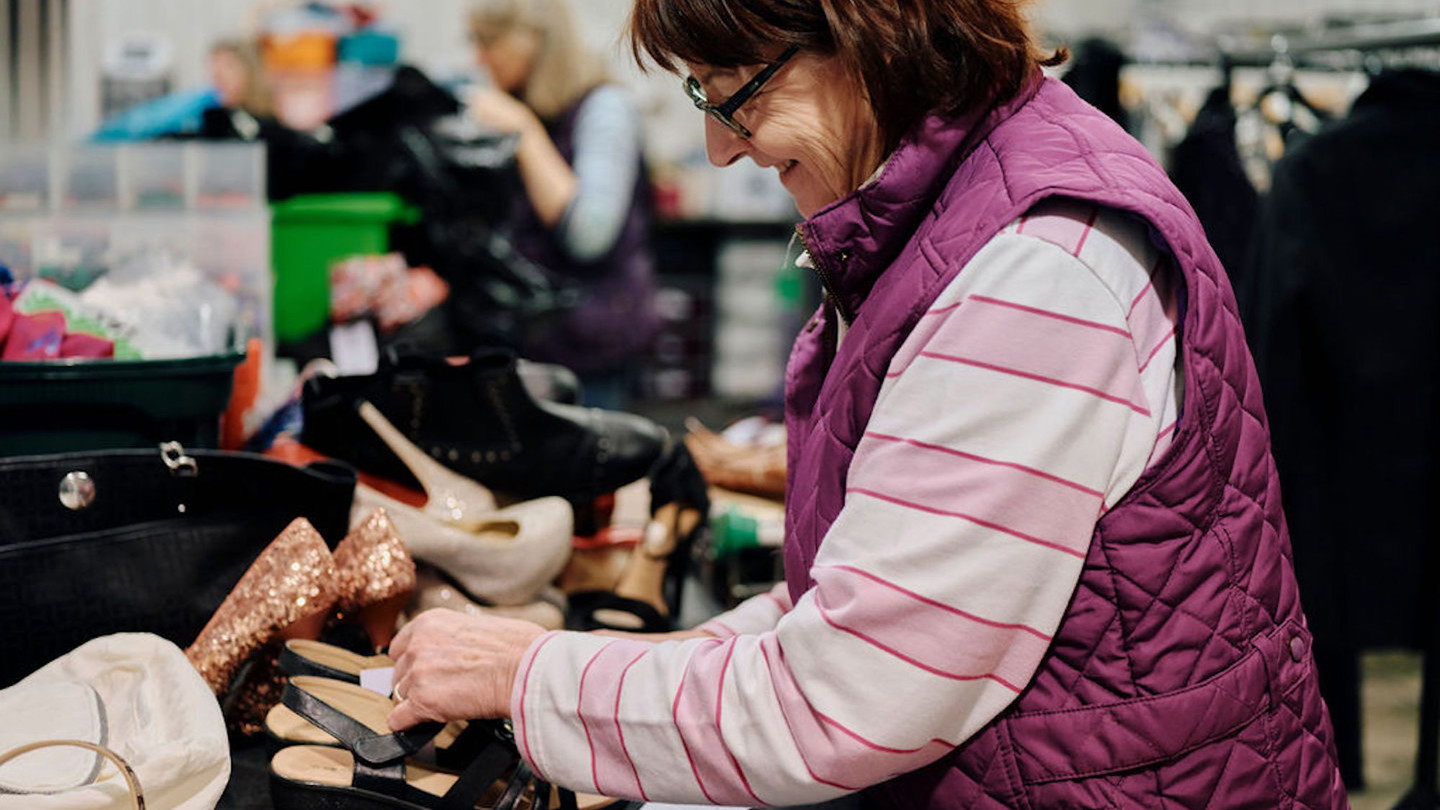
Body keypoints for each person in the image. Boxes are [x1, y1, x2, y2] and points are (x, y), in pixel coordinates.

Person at [386, 1, 1349, 807]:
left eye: (734, 93)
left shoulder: (1035, 271)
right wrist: (657, 664)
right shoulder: (956, 212)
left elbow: (843, 697)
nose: (720, 146)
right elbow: (874, 584)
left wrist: (528, 676)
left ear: (865, 32)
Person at [465, 0, 659, 410]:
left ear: (531, 40)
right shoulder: (522, 105)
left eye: (489, 42)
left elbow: (588, 234)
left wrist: (524, 132)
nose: (479, 57)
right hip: (525, 345)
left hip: (592, 351)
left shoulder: (604, 109)